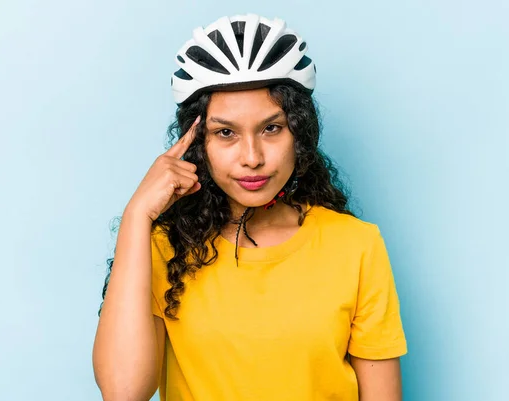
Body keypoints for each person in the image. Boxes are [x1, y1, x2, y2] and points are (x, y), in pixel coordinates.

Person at [92, 13, 408, 401]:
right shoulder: (163, 246)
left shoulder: (356, 245)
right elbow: (124, 393)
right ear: (197, 142)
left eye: (271, 128)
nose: (252, 157)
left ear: (300, 133)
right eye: (226, 133)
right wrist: (136, 217)